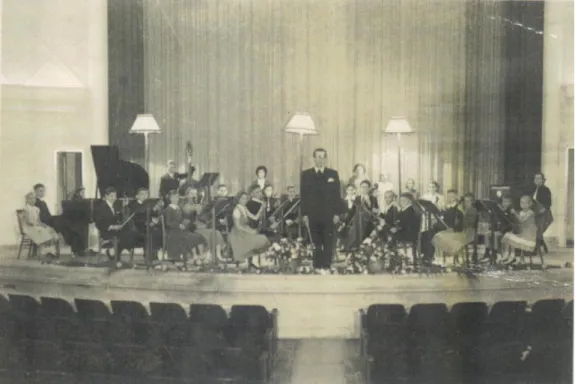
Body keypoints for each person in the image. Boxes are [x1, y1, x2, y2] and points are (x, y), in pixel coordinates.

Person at [300, 148, 341, 274]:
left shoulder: (332, 174)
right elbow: (304, 196)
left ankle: (327, 265)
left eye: (323, 156)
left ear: (326, 158)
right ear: (314, 158)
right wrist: (305, 214)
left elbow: (337, 196)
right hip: (312, 214)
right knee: (315, 240)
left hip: (328, 214)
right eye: (318, 156)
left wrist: (336, 213)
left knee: (328, 240)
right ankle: (317, 266)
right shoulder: (306, 174)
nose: (320, 159)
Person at [33, 183, 83, 256]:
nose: (42, 193)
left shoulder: (42, 202)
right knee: (63, 223)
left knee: (66, 225)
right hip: (45, 221)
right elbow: (37, 217)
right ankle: (74, 246)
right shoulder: (35, 202)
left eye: (43, 191)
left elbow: (48, 215)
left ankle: (75, 246)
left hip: (49, 219)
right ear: (35, 192)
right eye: (40, 191)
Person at [432, 192, 477, 264]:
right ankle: (444, 258)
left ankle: (453, 257)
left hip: (468, 232)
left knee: (445, 237)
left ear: (473, 201)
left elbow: (468, 224)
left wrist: (456, 227)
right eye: (465, 201)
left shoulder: (473, 210)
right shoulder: (461, 209)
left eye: (469, 201)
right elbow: (457, 222)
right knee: (438, 235)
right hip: (459, 231)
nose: (467, 203)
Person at [229, 191, 270, 269]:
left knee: (262, 238)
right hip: (238, 233)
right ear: (238, 199)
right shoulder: (237, 210)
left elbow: (255, 217)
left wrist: (261, 209)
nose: (244, 200)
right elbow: (238, 226)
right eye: (242, 199)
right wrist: (250, 231)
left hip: (245, 230)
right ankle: (253, 261)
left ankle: (254, 261)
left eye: (246, 199)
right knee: (257, 240)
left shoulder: (244, 208)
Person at [163, 190, 207, 263]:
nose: (176, 199)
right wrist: (178, 225)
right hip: (173, 233)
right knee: (192, 237)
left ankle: (199, 256)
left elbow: (183, 219)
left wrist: (185, 223)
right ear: (170, 199)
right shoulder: (168, 209)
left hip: (180, 231)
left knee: (198, 236)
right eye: (174, 197)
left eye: (177, 197)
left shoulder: (178, 208)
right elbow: (168, 223)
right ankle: (195, 256)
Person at [93, 187, 136, 260]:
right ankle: (115, 255)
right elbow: (98, 223)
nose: (114, 198)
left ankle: (116, 254)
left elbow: (117, 219)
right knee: (125, 236)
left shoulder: (116, 206)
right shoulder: (101, 207)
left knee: (131, 232)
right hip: (107, 231)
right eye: (111, 195)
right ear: (106, 196)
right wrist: (111, 227)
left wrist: (122, 222)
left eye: (115, 196)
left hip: (116, 230)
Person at [501, 195, 541, 266]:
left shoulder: (530, 213)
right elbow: (519, 225)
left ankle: (512, 255)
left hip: (529, 237)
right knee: (508, 235)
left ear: (530, 204)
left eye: (525, 203)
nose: (522, 205)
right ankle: (506, 254)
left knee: (511, 237)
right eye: (521, 203)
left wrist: (515, 213)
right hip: (522, 234)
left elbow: (522, 220)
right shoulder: (521, 212)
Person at [22, 192, 60, 258]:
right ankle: (43, 253)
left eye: (34, 198)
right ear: (27, 200)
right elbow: (28, 221)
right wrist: (38, 225)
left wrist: (45, 225)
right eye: (30, 199)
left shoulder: (36, 209)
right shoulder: (26, 209)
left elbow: (38, 221)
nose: (32, 200)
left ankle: (50, 252)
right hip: (29, 227)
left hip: (36, 226)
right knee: (42, 232)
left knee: (49, 230)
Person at [128, 188, 163, 259]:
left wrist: (156, 210)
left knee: (159, 230)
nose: (144, 196)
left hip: (148, 226)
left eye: (146, 194)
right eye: (142, 194)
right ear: (137, 196)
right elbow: (134, 218)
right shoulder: (133, 205)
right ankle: (149, 254)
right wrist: (147, 223)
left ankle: (153, 252)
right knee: (152, 232)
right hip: (137, 228)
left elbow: (154, 215)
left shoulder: (148, 204)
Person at [528, 172, 553, 254]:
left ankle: (536, 248)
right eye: (535, 178)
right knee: (535, 229)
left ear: (542, 180)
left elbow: (548, 203)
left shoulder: (546, 190)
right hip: (536, 213)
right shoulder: (533, 190)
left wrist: (543, 209)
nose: (537, 180)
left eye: (539, 178)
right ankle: (541, 244)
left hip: (544, 214)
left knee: (539, 230)